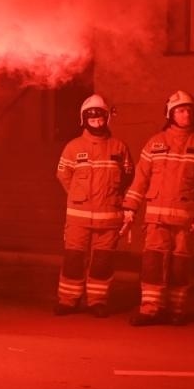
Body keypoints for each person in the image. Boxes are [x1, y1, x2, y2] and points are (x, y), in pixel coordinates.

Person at [124, 89, 194, 326]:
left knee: (180, 265)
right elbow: (140, 179)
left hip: (185, 219)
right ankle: (150, 309)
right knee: (153, 263)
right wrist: (130, 208)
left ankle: (177, 309)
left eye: (188, 110)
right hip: (156, 218)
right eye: (180, 110)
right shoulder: (155, 142)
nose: (185, 114)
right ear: (170, 114)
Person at [53, 94, 133, 317]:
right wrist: (78, 195)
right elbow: (63, 175)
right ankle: (68, 300)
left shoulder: (119, 148)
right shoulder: (73, 147)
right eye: (91, 116)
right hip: (78, 217)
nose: (96, 119)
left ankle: (97, 301)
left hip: (109, 217)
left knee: (102, 261)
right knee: (73, 260)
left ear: (106, 118)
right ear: (84, 119)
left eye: (100, 116)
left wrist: (112, 198)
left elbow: (128, 175)